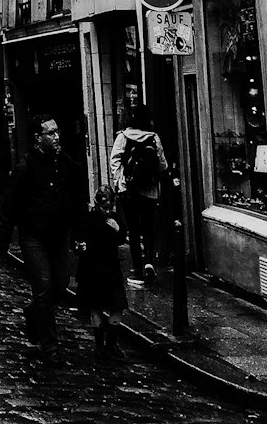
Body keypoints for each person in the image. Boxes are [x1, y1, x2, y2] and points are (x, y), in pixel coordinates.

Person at [0, 114, 80, 366]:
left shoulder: (65, 164)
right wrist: (1, 241)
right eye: (50, 133)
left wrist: (79, 234)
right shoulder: (25, 168)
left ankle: (34, 313)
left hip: (58, 235)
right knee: (43, 287)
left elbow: (74, 202)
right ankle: (50, 347)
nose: (56, 137)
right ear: (37, 138)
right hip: (33, 236)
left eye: (57, 132)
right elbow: (9, 206)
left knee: (61, 284)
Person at [109, 102, 169, 288]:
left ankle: (137, 270)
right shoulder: (153, 137)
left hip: (131, 191)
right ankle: (150, 261)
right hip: (150, 192)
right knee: (149, 228)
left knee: (134, 231)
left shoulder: (123, 136)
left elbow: (115, 162)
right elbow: (162, 165)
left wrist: (120, 184)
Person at [75, 185, 129, 359]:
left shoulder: (114, 218)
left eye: (109, 206)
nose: (106, 210)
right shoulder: (89, 219)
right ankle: (100, 346)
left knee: (118, 306)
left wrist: (117, 229)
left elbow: (122, 237)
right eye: (103, 207)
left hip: (110, 268)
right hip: (92, 269)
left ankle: (111, 343)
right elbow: (78, 240)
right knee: (96, 307)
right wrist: (80, 245)